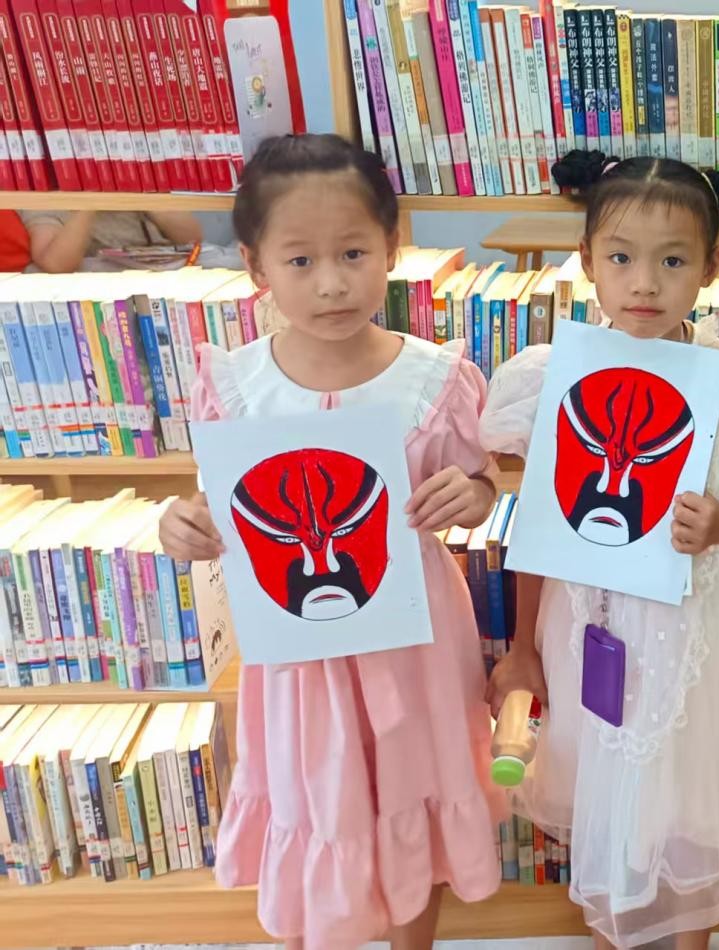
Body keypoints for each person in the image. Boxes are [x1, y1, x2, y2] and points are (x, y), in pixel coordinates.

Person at [156, 134, 504, 950]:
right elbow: (221, 506)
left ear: (391, 245)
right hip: (297, 652)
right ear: (256, 266)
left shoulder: (436, 379)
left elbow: (480, 485)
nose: (332, 282)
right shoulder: (236, 386)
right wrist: (184, 525)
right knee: (315, 792)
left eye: (353, 252)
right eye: (301, 260)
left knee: (414, 783)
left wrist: (475, 494)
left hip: (414, 641)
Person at [480, 153, 719, 950]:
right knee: (608, 789)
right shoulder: (555, 378)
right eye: (621, 258)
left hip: (700, 624)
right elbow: (540, 527)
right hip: (589, 623)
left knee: (692, 798)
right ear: (587, 262)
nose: (644, 283)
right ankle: (613, 932)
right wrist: (525, 647)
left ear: (712, 266)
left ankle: (688, 938)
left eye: (672, 261)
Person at [20, 209, 203, 272]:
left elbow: (192, 239)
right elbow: (55, 263)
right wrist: (90, 204)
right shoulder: (45, 196)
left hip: (162, 276)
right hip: (99, 290)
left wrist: (146, 198)